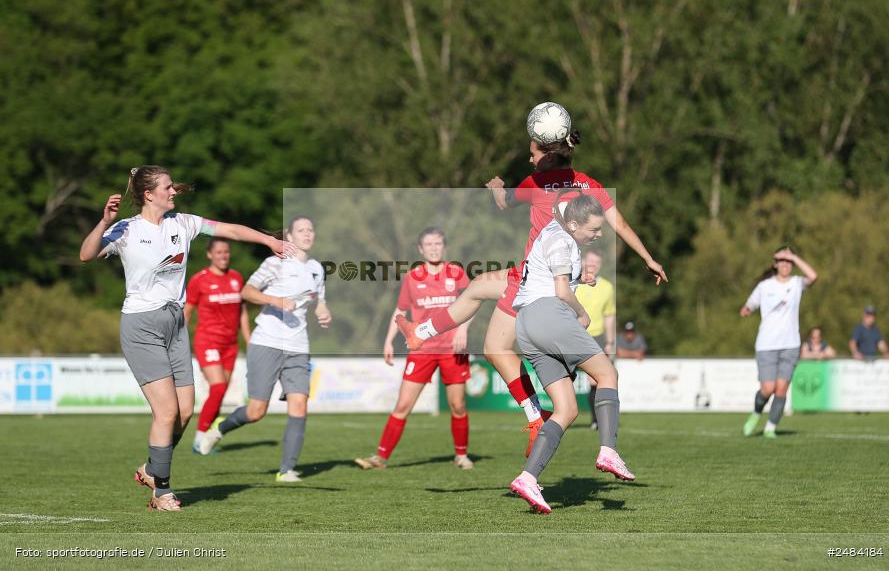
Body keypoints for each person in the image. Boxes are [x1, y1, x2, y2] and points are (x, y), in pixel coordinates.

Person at [396, 111, 667, 456]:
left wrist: (496, 187)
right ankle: (421, 334)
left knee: (495, 345)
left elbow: (504, 203)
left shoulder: (534, 183)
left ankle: (534, 414)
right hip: (553, 276)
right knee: (480, 292)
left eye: (533, 152)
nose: (529, 158)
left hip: (533, 279)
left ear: (547, 155)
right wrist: (648, 258)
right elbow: (622, 225)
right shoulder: (590, 185)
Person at [78, 165, 294, 511]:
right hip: (142, 325)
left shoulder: (183, 224)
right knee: (165, 413)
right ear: (149, 194)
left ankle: (152, 468)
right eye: (167, 187)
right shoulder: (126, 229)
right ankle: (161, 492)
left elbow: (229, 229)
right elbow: (86, 255)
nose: (173, 191)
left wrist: (269, 240)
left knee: (184, 412)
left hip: (175, 324)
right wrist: (104, 222)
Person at [508, 192, 635, 515]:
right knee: (607, 374)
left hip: (525, 326)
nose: (599, 233)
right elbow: (562, 293)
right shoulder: (564, 241)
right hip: (551, 315)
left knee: (565, 409)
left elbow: (554, 276)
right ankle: (608, 449)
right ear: (575, 224)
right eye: (594, 229)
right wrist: (582, 313)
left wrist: (582, 277)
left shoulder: (555, 229)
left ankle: (528, 477)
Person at [197, 216, 332, 484]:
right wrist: (275, 300)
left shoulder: (317, 268)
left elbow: (318, 300)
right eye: (301, 230)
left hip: (298, 345)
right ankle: (220, 427)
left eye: (310, 229)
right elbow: (246, 292)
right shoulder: (274, 263)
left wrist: (323, 310)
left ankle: (287, 469)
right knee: (257, 411)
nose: (307, 234)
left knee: (299, 403)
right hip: (266, 341)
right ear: (289, 237)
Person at [355, 228, 474, 471]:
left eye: (438, 243)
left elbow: (473, 302)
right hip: (422, 350)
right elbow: (400, 312)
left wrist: (463, 329)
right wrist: (389, 340)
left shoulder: (456, 272)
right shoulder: (412, 277)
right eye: (428, 244)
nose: (433, 248)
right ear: (420, 249)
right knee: (403, 405)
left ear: (444, 247)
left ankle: (461, 456)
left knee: (458, 405)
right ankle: (380, 458)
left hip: (452, 349)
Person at [740, 247, 818, 438]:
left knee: (782, 389)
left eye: (789, 261)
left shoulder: (797, 283)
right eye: (782, 260)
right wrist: (747, 308)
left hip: (790, 344)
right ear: (775, 264)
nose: (786, 264)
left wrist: (794, 256)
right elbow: (750, 303)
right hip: (766, 345)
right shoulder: (765, 286)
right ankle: (756, 413)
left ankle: (770, 428)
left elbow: (813, 276)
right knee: (768, 389)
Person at [183, 238, 252, 453]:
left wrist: (249, 340)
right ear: (209, 255)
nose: (223, 256)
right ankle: (199, 440)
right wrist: (178, 338)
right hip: (207, 341)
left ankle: (205, 437)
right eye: (219, 252)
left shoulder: (236, 278)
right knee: (218, 386)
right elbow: (188, 309)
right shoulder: (199, 280)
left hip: (230, 344)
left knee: (219, 393)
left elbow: (242, 311)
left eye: (226, 252)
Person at [575, 250, 616, 430]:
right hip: (573, 335)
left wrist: (610, 341)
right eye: (590, 261)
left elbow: (609, 315)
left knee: (596, 380)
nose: (593, 265)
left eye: (597, 262)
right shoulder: (573, 281)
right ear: (584, 261)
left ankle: (596, 420)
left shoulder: (607, 287)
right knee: (563, 377)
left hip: (596, 337)